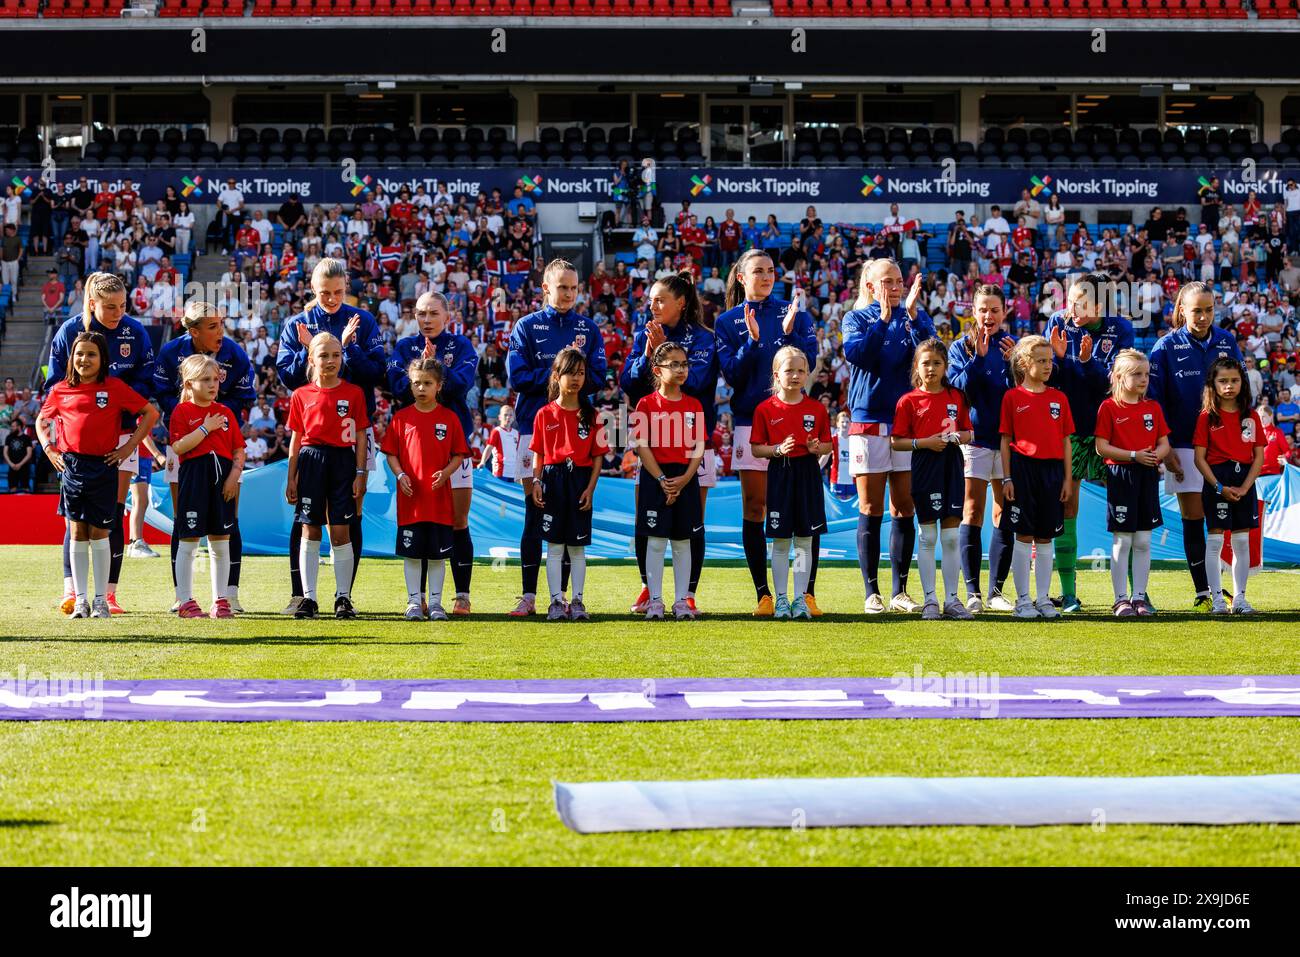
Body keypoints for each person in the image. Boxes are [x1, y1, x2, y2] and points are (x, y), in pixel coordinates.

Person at [277, 258, 385, 615]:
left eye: (338, 292)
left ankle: (344, 595)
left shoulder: (364, 321)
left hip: (353, 432)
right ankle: (302, 594)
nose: (332, 298)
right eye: (324, 292)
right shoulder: (297, 324)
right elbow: (290, 379)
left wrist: (349, 346)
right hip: (311, 438)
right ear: (312, 288)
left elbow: (377, 373)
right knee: (306, 519)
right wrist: (303, 350)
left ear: (347, 287)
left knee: (349, 515)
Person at [714, 249, 818, 617]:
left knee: (801, 510)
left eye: (771, 271)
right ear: (741, 277)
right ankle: (764, 594)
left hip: (796, 421)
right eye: (758, 271)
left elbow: (811, 361)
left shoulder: (793, 313)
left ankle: (806, 595)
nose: (766, 276)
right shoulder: (728, 322)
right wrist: (753, 342)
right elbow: (732, 376)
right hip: (750, 424)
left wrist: (792, 335)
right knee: (757, 508)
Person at [47, 272, 156, 615]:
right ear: (91, 304)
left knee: (112, 513)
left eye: (123, 305)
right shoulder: (68, 332)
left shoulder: (135, 331)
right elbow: (53, 384)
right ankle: (72, 591)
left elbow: (146, 381)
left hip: (123, 435)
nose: (118, 312)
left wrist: (114, 402)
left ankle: (107, 595)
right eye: (110, 306)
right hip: (78, 441)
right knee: (74, 520)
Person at [505, 259, 607, 617]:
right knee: (535, 513)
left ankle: (564, 598)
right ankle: (530, 595)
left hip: (577, 431)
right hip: (533, 428)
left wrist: (565, 380)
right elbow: (517, 376)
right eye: (561, 287)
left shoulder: (588, 328)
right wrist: (560, 379)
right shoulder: (526, 327)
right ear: (545, 288)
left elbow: (597, 376)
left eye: (573, 287)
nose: (568, 294)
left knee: (568, 521)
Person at [842, 258, 935, 615]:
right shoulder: (857, 319)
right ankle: (871, 593)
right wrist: (882, 319)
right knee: (870, 507)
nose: (896, 287)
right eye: (887, 281)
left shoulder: (911, 316)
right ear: (869, 287)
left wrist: (914, 316)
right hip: (868, 422)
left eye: (899, 280)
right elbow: (859, 355)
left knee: (904, 507)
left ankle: (899, 590)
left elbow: (932, 356)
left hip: (907, 422)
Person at [620, 271, 717, 615]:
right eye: (650, 300)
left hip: (692, 443)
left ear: (681, 302)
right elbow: (629, 383)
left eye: (660, 299)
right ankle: (650, 589)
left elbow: (700, 381)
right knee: (648, 519)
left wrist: (668, 362)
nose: (653, 305)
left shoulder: (704, 338)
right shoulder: (644, 335)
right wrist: (649, 354)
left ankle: (686, 593)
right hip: (653, 448)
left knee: (691, 522)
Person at [153, 300, 256, 611]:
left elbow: (244, 396)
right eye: (212, 327)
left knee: (225, 526)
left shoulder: (234, 354)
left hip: (223, 452)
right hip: (185, 448)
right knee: (184, 523)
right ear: (193, 331)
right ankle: (181, 597)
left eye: (222, 324)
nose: (220, 332)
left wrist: (219, 417)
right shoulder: (171, 352)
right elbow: (160, 392)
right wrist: (193, 418)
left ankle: (228, 595)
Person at [1043, 272, 1135, 613]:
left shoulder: (1120, 328)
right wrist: (1064, 361)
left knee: (1125, 505)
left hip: (1111, 426)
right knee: (1067, 504)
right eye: (1069, 301)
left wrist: (1084, 362)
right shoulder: (1057, 322)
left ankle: (1131, 594)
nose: (1072, 309)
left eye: (1080, 304)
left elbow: (1114, 382)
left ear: (1100, 304)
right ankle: (1069, 594)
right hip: (1070, 428)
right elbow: (1048, 375)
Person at [1149, 281, 1243, 611]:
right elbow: (1153, 401)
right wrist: (1165, 446)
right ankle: (1203, 591)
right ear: (1181, 311)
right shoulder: (1164, 347)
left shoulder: (1226, 341)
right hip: (1183, 445)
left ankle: (1223, 590)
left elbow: (1243, 393)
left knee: (1220, 519)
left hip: (1222, 445)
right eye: (1196, 311)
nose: (1203, 317)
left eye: (1208, 310)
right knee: (1194, 515)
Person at [386, 291, 479, 615]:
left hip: (455, 448)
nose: (426, 319)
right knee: (423, 520)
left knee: (457, 520)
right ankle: (420, 598)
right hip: (416, 452)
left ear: (446, 316)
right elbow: (396, 387)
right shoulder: (403, 347)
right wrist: (421, 369)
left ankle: (462, 595)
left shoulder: (462, 347)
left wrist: (436, 367)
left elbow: (460, 387)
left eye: (432, 314)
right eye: (421, 313)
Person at [285, 332, 369, 620]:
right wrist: (291, 477)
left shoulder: (354, 393)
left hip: (343, 462)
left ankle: (343, 597)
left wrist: (361, 473)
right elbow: (296, 439)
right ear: (311, 359)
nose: (330, 360)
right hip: (311, 461)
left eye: (335, 355)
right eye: (323, 355)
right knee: (310, 528)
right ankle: (308, 599)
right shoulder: (301, 395)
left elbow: (360, 435)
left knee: (341, 530)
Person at [891, 339, 975, 620]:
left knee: (951, 537)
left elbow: (968, 432)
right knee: (928, 536)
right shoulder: (908, 401)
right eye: (925, 363)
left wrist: (957, 437)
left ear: (945, 366)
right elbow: (897, 441)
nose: (931, 368)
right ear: (917, 366)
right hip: (925, 466)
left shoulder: (957, 397)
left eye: (937, 363)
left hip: (951, 465)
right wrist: (923, 443)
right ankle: (930, 601)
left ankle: (952, 600)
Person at [382, 357, 469, 622]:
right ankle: (413, 602)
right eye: (416, 383)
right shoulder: (401, 418)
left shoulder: (450, 418)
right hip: (411, 500)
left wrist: (446, 473)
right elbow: (391, 454)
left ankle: (435, 603)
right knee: (412, 553)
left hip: (439, 501)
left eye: (427, 383)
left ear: (439, 386)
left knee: (436, 555)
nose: (421, 388)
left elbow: (458, 455)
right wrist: (400, 474)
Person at [947, 285, 1017, 613]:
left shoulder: (1012, 346)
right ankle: (973, 592)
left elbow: (1030, 387)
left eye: (994, 309)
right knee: (972, 510)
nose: (988, 316)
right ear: (973, 311)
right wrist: (977, 357)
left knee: (1004, 512)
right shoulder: (961, 347)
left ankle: (996, 591)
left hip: (1007, 442)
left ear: (1005, 311)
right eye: (983, 309)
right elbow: (959, 389)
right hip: (973, 441)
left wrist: (1018, 363)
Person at [749, 346, 831, 621]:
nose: (795, 375)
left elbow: (828, 444)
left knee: (805, 541)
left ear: (808, 374)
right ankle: (781, 598)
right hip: (780, 473)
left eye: (800, 370)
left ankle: (800, 599)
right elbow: (757, 448)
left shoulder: (817, 409)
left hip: (807, 472)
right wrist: (777, 450)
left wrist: (817, 446)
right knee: (782, 541)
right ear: (776, 375)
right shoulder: (765, 409)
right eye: (789, 370)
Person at [528, 347, 609, 622]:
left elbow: (598, 456)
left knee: (577, 547)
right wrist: (537, 481)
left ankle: (577, 601)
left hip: (580, 479)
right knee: (553, 546)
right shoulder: (544, 414)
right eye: (570, 373)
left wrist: (590, 488)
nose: (576, 379)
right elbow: (538, 453)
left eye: (581, 373)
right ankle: (554, 601)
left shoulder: (592, 414)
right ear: (556, 375)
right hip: (552, 478)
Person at [630, 340, 706, 621]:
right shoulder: (645, 404)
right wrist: (662, 478)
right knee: (656, 541)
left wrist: (685, 478)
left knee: (683, 541)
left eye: (684, 363)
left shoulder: (694, 404)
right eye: (674, 364)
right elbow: (641, 446)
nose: (681, 369)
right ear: (657, 370)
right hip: (655, 477)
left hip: (686, 477)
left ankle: (681, 601)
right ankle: (656, 601)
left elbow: (698, 446)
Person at [999, 335, 1074, 620]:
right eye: (1041, 360)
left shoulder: (1059, 398)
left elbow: (1066, 441)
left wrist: (1067, 479)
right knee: (1024, 535)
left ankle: (1043, 598)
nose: (1047, 366)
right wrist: (1007, 478)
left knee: (1045, 538)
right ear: (1023, 363)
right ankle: (1023, 600)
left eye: (1050, 361)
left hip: (1052, 473)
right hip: (1022, 470)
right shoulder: (1012, 397)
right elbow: (1006, 440)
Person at [1093, 350, 1173, 618]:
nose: (1143, 379)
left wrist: (1155, 456)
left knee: (1143, 540)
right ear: (1118, 376)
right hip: (1121, 476)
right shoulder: (1109, 407)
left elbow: (1164, 443)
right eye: (1137, 374)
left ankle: (1139, 597)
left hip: (1147, 476)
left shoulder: (1153, 407)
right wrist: (1132, 455)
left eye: (1146, 374)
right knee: (1122, 540)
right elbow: (1101, 447)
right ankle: (1120, 600)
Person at [168, 355, 245, 619]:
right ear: (189, 384)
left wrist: (234, 476)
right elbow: (178, 447)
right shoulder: (181, 412)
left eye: (215, 379)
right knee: (188, 540)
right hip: (194, 479)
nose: (213, 385)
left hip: (222, 479)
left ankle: (220, 600)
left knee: (221, 541)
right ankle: (186, 601)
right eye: (205, 380)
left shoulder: (226, 413)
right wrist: (205, 428)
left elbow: (238, 449)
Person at [1193, 357, 1265, 615]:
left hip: (1244, 480)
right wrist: (1219, 486)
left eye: (1234, 380)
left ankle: (1240, 599)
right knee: (1214, 542)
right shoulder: (1206, 417)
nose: (1229, 386)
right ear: (1213, 384)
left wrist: (1246, 487)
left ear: (1242, 383)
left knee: (1242, 541)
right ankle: (1218, 600)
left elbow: (1259, 457)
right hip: (1217, 480)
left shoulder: (1251, 416)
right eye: (1223, 381)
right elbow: (1199, 459)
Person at [482, 403, 521, 480]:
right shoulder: (496, 431)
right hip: (500, 472)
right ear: (499, 417)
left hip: (513, 472)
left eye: (510, 415)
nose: (508, 417)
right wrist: (482, 462)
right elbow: (488, 448)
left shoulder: (516, 433)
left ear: (513, 418)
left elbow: (518, 452)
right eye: (505, 415)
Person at [4, 415, 33, 492]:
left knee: (25, 489)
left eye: (13, 426)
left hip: (24, 466)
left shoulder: (26, 438)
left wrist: (20, 464)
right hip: (12, 466)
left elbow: (29, 454)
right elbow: (5, 452)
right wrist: (11, 464)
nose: (12, 428)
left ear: (19, 427)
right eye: (11, 426)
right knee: (12, 489)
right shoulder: (9, 437)